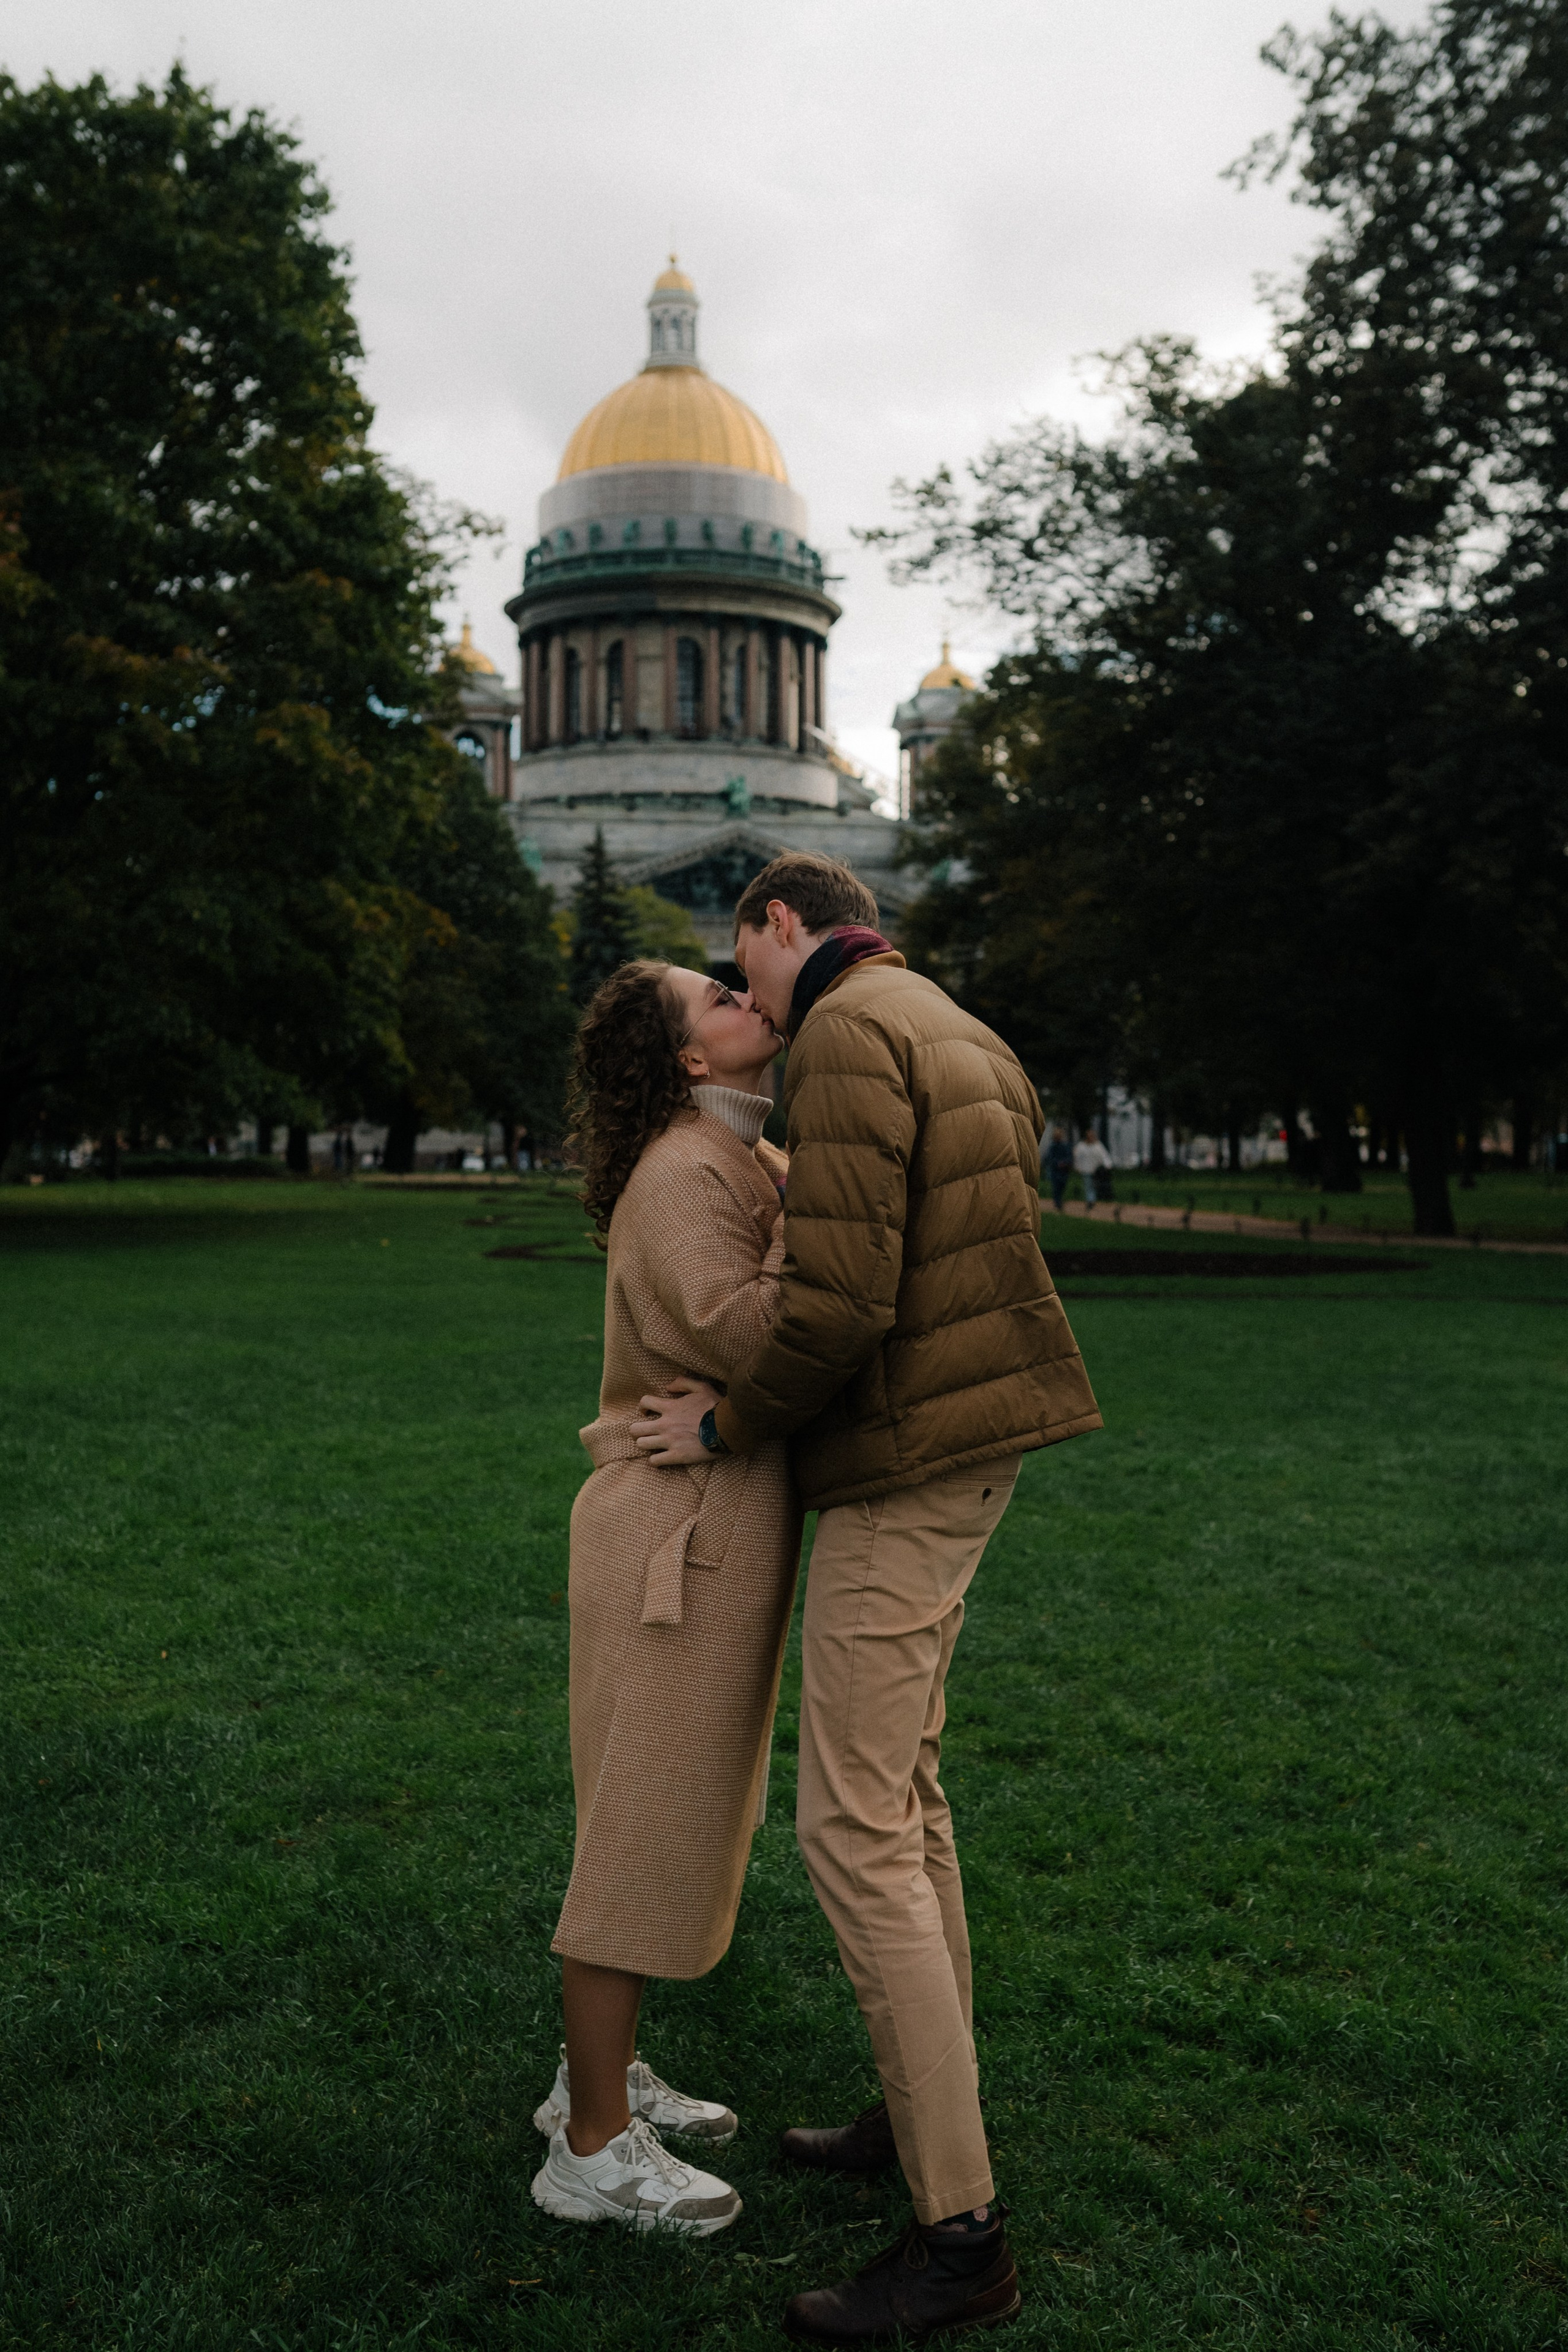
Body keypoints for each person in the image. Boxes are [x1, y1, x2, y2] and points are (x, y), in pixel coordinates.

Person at [633, 853, 1101, 2345]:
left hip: (913, 1453)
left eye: (737, 960)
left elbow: (836, 1296)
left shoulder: (842, 1032)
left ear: (782, 923)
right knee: (906, 1793)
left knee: (850, 1824)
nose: (742, 993)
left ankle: (959, 2233)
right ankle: (918, 2117)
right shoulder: (949, 1017)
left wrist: (722, 1423)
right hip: (976, 1436)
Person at [529, 959, 799, 2238]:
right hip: (674, 1541)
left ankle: (597, 2075)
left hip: (694, 1530)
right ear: (689, 1061)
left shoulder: (729, 1154)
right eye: (720, 996)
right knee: (642, 1826)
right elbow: (746, 1335)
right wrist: (827, 1228)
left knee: (658, 1811)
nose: (750, 993)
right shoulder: (690, 1169)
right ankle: (589, 2148)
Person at [1072, 1126, 1112, 1208]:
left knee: (1094, 1186)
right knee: (1088, 1185)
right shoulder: (1081, 1146)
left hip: (1096, 1170)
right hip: (1086, 1170)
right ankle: (1090, 1200)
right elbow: (1077, 1157)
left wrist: (1108, 1165)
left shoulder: (1098, 1146)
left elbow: (1104, 1156)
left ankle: (1093, 1199)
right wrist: (1077, 1166)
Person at [1042, 1125, 1072, 1212]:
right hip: (1056, 1170)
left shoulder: (1065, 1146)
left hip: (1064, 1171)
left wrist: (1065, 1163)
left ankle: (1059, 1201)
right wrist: (1057, 1163)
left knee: (1062, 1186)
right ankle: (1058, 1203)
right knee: (1056, 1187)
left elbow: (1069, 1157)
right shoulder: (1052, 1147)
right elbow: (1050, 1158)